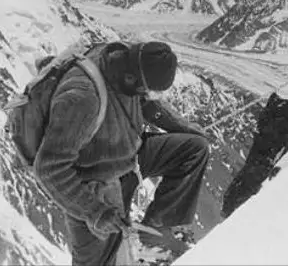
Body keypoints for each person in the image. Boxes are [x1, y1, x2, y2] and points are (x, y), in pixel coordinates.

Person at [33, 41, 210, 266]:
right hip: (93, 181)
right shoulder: (81, 97)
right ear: (130, 78)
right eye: (146, 90)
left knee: (193, 150)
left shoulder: (126, 61)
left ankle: (153, 243)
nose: (146, 95)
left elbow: (145, 103)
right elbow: (49, 169)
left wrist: (183, 127)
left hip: (125, 155)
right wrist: (96, 212)